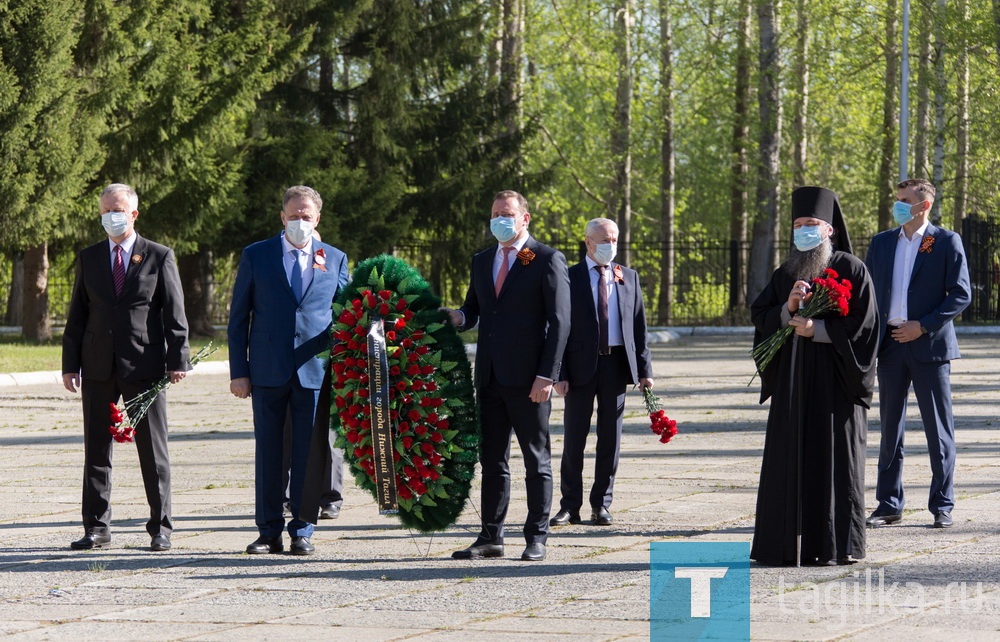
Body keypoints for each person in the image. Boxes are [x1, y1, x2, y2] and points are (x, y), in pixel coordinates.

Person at [750, 186, 879, 566]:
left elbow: (866, 326)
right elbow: (761, 316)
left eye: (812, 224)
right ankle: (781, 546)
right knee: (790, 459)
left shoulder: (851, 269)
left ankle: (838, 545)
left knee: (836, 460)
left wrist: (818, 330)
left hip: (836, 383)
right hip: (793, 382)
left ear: (830, 230)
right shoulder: (785, 272)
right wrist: (787, 310)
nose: (804, 230)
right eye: (798, 225)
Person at [62, 183, 191, 552]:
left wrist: (177, 359)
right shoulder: (89, 257)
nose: (110, 216)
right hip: (98, 366)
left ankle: (160, 527)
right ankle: (97, 527)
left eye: (117, 210)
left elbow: (175, 314)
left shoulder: (159, 256)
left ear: (134, 213)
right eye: (105, 210)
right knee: (97, 451)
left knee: (153, 451)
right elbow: (77, 315)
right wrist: (70, 364)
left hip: (145, 365)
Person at [445, 190, 570, 562]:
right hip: (489, 379)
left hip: (530, 381)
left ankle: (536, 537)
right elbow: (475, 309)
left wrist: (546, 375)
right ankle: (490, 537)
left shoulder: (545, 259)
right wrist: (456, 317)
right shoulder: (483, 260)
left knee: (536, 460)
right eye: (496, 213)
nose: (501, 219)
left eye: (508, 213)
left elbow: (560, 322)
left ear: (524, 218)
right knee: (492, 461)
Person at [228, 185, 349, 555]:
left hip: (315, 372)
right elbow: (238, 318)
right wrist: (239, 371)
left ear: (318, 220)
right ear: (282, 217)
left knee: (309, 454)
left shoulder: (335, 258)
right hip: (266, 371)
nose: (300, 222)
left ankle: (303, 530)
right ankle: (268, 531)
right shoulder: (257, 255)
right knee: (269, 453)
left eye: (306, 217)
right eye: (294, 216)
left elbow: (346, 314)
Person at [864, 178, 971, 529]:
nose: (897, 205)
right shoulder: (881, 243)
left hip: (929, 345)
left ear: (923, 205)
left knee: (938, 429)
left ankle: (942, 505)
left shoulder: (943, 242)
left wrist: (922, 326)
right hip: (891, 346)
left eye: (904, 200)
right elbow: (869, 294)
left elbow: (960, 294)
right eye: (896, 198)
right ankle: (888, 504)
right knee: (889, 429)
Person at [551, 218, 653, 527]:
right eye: (604, 240)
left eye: (615, 240)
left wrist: (645, 370)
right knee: (574, 439)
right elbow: (558, 328)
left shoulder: (628, 277)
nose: (611, 246)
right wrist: (559, 372)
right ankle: (570, 505)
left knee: (611, 439)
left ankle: (602, 504)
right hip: (580, 367)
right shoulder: (569, 278)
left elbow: (639, 327)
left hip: (616, 366)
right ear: (588, 243)